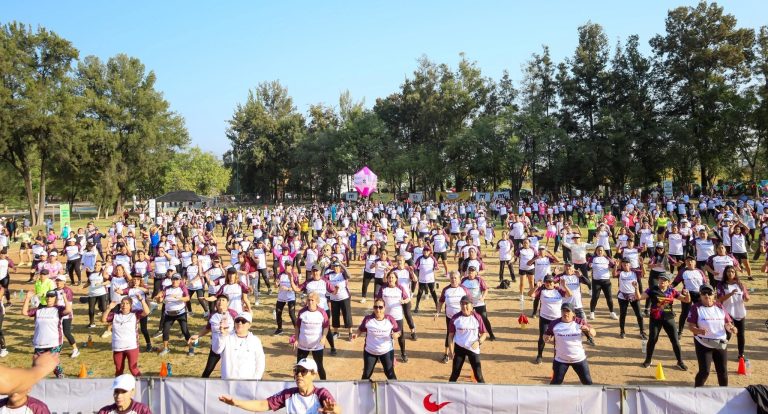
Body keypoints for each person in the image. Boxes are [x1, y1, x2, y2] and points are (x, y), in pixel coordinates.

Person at [218, 358, 340, 413]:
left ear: (314, 375)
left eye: (303, 371)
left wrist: (335, 412)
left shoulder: (321, 393)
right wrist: (237, 403)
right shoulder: (288, 394)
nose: (299, 375)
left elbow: (337, 409)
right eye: (296, 371)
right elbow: (263, 404)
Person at [635, 272, 690, 370]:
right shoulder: (652, 289)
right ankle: (648, 360)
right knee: (652, 340)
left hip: (669, 319)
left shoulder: (672, 291)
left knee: (675, 341)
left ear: (669, 282)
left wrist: (687, 294)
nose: (662, 281)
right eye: (660, 279)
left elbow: (686, 300)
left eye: (664, 280)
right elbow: (639, 298)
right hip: (655, 319)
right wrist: (636, 288)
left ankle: (680, 362)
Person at [687, 283, 738, 387]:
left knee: (722, 371)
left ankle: (724, 393)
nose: (707, 296)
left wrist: (732, 328)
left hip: (720, 343)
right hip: (703, 343)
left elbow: (727, 323)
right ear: (700, 295)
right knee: (704, 371)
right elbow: (691, 326)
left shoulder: (719, 306)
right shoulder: (696, 308)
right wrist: (698, 331)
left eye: (709, 293)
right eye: (704, 293)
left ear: (713, 295)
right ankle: (697, 392)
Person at [22, 288, 72, 378]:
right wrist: (27, 298)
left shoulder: (59, 309)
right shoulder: (39, 310)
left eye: (52, 297)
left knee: (52, 362)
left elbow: (68, 310)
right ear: (45, 299)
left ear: (55, 299)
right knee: (36, 365)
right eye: (48, 297)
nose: (49, 299)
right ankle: (35, 383)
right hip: (39, 343)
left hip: (54, 343)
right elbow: (25, 312)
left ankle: (61, 378)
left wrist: (64, 297)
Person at [544, 303, 596, 385]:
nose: (565, 313)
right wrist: (546, 338)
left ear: (573, 313)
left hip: (579, 359)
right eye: (563, 311)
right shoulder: (554, 324)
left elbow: (594, 333)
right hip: (561, 360)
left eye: (568, 311)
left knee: (588, 383)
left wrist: (588, 329)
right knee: (555, 384)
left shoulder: (579, 322)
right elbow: (546, 335)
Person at [190, 294, 238, 378]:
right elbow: (208, 328)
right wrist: (197, 335)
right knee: (208, 369)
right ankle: (202, 385)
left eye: (223, 300)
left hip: (230, 346)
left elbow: (240, 327)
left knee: (231, 368)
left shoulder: (233, 313)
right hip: (216, 345)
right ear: (216, 303)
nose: (220, 302)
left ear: (227, 303)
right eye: (219, 300)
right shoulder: (212, 315)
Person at [102, 295, 150, 377]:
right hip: (118, 347)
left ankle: (141, 385)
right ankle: (119, 388)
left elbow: (147, 312)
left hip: (131, 346)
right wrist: (109, 308)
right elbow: (103, 320)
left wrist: (142, 300)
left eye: (127, 303)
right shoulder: (115, 315)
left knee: (133, 368)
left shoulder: (135, 314)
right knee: (119, 369)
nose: (124, 305)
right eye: (123, 303)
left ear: (131, 305)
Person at [351, 298, 399, 380]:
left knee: (390, 374)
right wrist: (356, 334)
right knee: (366, 374)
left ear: (384, 308)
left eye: (380, 307)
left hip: (386, 351)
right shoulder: (368, 319)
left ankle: (395, 391)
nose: (378, 309)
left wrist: (396, 335)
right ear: (373, 308)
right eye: (375, 307)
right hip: (370, 352)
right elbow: (361, 329)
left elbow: (398, 331)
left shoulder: (390, 319)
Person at [530, 274, 572, 364]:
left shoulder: (559, 291)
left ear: (554, 283)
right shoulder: (541, 291)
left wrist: (564, 286)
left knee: (557, 338)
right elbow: (531, 294)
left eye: (550, 282)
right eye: (547, 282)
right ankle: (539, 355)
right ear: (544, 283)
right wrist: (536, 287)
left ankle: (556, 357)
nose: (548, 283)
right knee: (542, 337)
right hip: (544, 318)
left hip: (557, 320)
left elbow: (569, 294)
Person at [213, 311, 265, 380]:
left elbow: (260, 361)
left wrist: (255, 379)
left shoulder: (255, 340)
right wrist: (222, 335)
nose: (240, 323)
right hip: (228, 382)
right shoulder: (226, 337)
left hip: (248, 382)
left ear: (249, 325)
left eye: (243, 321)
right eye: (237, 321)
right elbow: (216, 350)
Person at [447, 295, 487, 383]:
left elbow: (484, 334)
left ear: (471, 305)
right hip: (459, 348)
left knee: (478, 375)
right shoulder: (455, 318)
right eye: (462, 304)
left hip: (473, 348)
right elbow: (450, 336)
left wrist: (479, 342)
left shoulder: (477, 317)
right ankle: (447, 392)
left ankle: (485, 394)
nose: (464, 306)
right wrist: (450, 350)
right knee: (455, 374)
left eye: (466, 304)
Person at [375, 271, 411, 362]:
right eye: (389, 277)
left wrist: (404, 301)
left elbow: (407, 298)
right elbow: (377, 300)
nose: (390, 279)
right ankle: (382, 354)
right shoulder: (383, 289)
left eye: (392, 278)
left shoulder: (400, 288)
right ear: (387, 279)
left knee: (400, 336)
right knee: (384, 336)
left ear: (396, 279)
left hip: (397, 317)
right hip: (386, 318)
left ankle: (403, 353)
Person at [294, 292, 330, 379]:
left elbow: (326, 326)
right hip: (303, 345)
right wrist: (296, 339)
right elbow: (297, 326)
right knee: (299, 367)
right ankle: (297, 385)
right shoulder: (302, 312)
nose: (310, 302)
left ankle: (324, 383)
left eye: (312, 300)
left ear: (317, 301)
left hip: (317, 345)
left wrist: (324, 337)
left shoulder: (322, 312)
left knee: (319, 366)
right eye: (309, 300)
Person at [717, 266, 748, 360]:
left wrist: (746, 298)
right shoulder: (721, 285)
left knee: (741, 334)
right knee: (728, 334)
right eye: (728, 271)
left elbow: (746, 297)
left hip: (740, 312)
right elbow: (719, 300)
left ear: (735, 273)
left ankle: (741, 355)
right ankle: (719, 352)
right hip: (728, 313)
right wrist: (730, 294)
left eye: (732, 271)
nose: (730, 273)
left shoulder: (740, 284)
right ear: (725, 273)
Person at [156, 274, 192, 356]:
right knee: (165, 331)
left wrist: (178, 297)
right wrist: (159, 299)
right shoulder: (166, 288)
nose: (175, 281)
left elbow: (187, 298)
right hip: (169, 314)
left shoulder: (182, 288)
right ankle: (166, 348)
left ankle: (191, 348)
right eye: (173, 279)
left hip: (181, 313)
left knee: (185, 330)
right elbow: (160, 300)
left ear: (180, 280)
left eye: (177, 279)